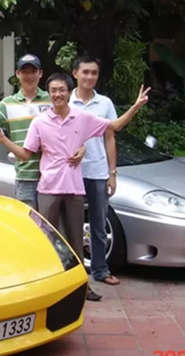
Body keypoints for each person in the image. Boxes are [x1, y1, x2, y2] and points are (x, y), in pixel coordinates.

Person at [0, 72, 150, 301]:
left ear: (69, 92)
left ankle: (81, 287)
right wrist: (4, 140)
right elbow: (25, 155)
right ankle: (48, 288)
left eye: (62, 90)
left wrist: (136, 106)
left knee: (75, 241)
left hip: (74, 190)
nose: (57, 94)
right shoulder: (39, 122)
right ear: (49, 94)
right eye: (53, 90)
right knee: (47, 241)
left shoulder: (82, 118)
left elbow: (114, 125)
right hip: (48, 189)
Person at [0, 54, 84, 210]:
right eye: (25, 72)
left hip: (54, 176)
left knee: (52, 224)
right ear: (17, 74)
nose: (29, 76)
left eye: (33, 71)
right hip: (25, 177)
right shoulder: (8, 104)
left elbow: (73, 127)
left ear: (40, 73)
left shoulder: (52, 99)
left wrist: (82, 147)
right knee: (29, 222)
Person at [71, 56, 121, 286]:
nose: (90, 77)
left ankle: (100, 270)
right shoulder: (65, 101)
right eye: (85, 72)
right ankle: (73, 274)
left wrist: (112, 173)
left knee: (99, 225)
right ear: (75, 74)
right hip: (71, 173)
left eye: (94, 73)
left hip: (98, 172)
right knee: (71, 225)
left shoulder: (105, 103)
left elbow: (110, 138)